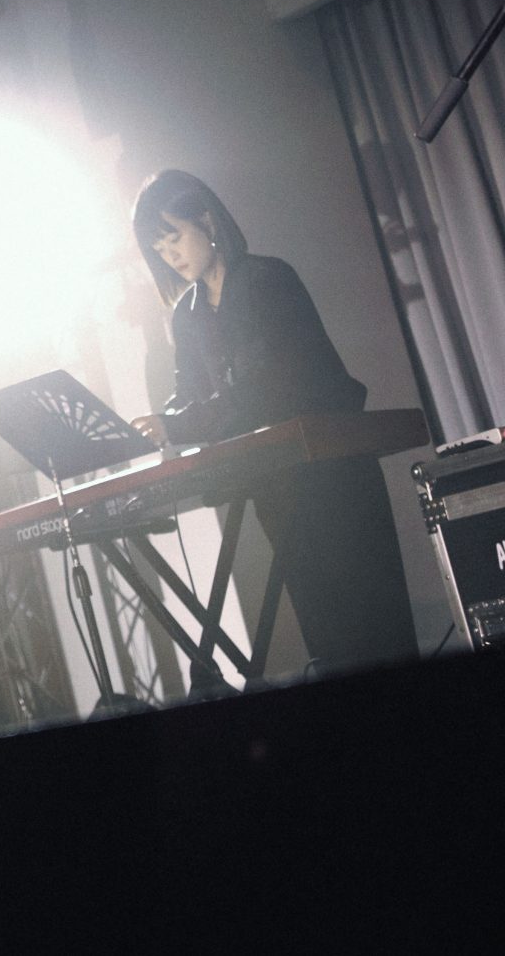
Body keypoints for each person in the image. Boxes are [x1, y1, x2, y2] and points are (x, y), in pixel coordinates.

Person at [129, 169, 419, 673]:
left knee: (376, 625)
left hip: (333, 470)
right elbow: (189, 395)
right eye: (159, 249)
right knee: (326, 634)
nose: (170, 256)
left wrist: (178, 425)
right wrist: (156, 425)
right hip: (277, 482)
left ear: (206, 219)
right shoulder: (187, 314)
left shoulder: (267, 279)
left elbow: (269, 385)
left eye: (173, 238)